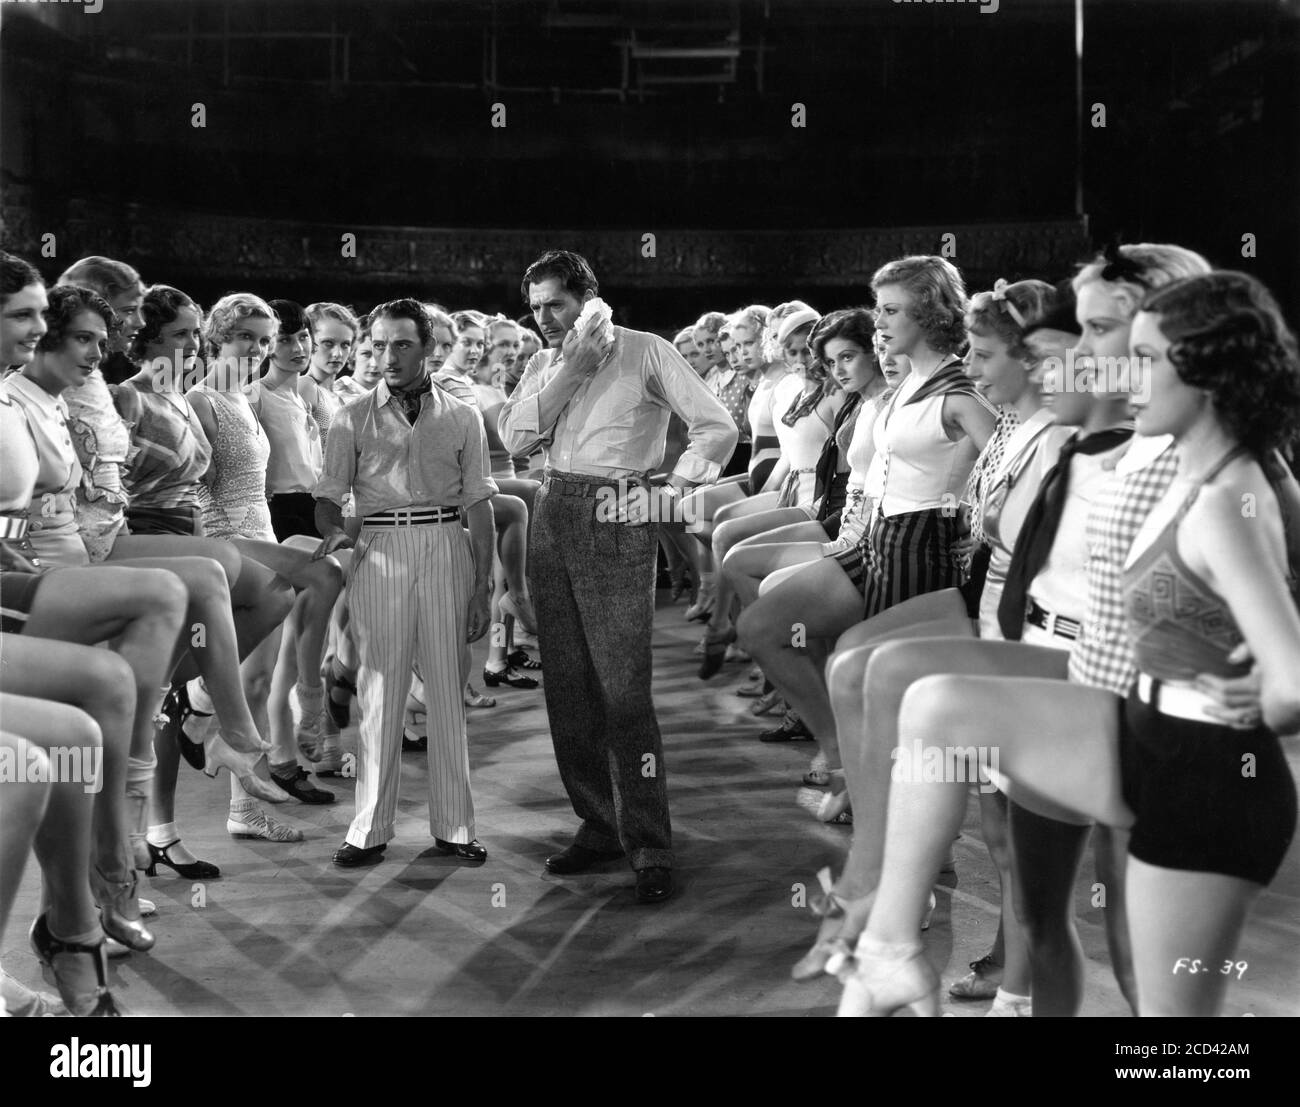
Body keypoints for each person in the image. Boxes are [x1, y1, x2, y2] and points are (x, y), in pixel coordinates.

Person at [500, 250, 737, 903]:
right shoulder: (547, 361)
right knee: (568, 685)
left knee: (624, 691)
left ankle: (651, 841)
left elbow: (718, 423)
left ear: (587, 297)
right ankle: (598, 825)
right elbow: (517, 434)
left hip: (617, 505)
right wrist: (570, 367)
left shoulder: (646, 350)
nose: (544, 318)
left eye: (556, 304)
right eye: (536, 306)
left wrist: (676, 485)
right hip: (553, 507)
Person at [315, 298, 497, 868]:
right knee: (380, 691)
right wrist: (337, 538)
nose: (387, 356)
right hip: (380, 546)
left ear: (427, 348)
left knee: (446, 685)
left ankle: (456, 826)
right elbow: (326, 497)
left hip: (447, 543)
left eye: (402, 344)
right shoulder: (350, 416)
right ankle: (368, 828)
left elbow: (480, 504)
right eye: (378, 345)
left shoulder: (462, 415)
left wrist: (481, 587)